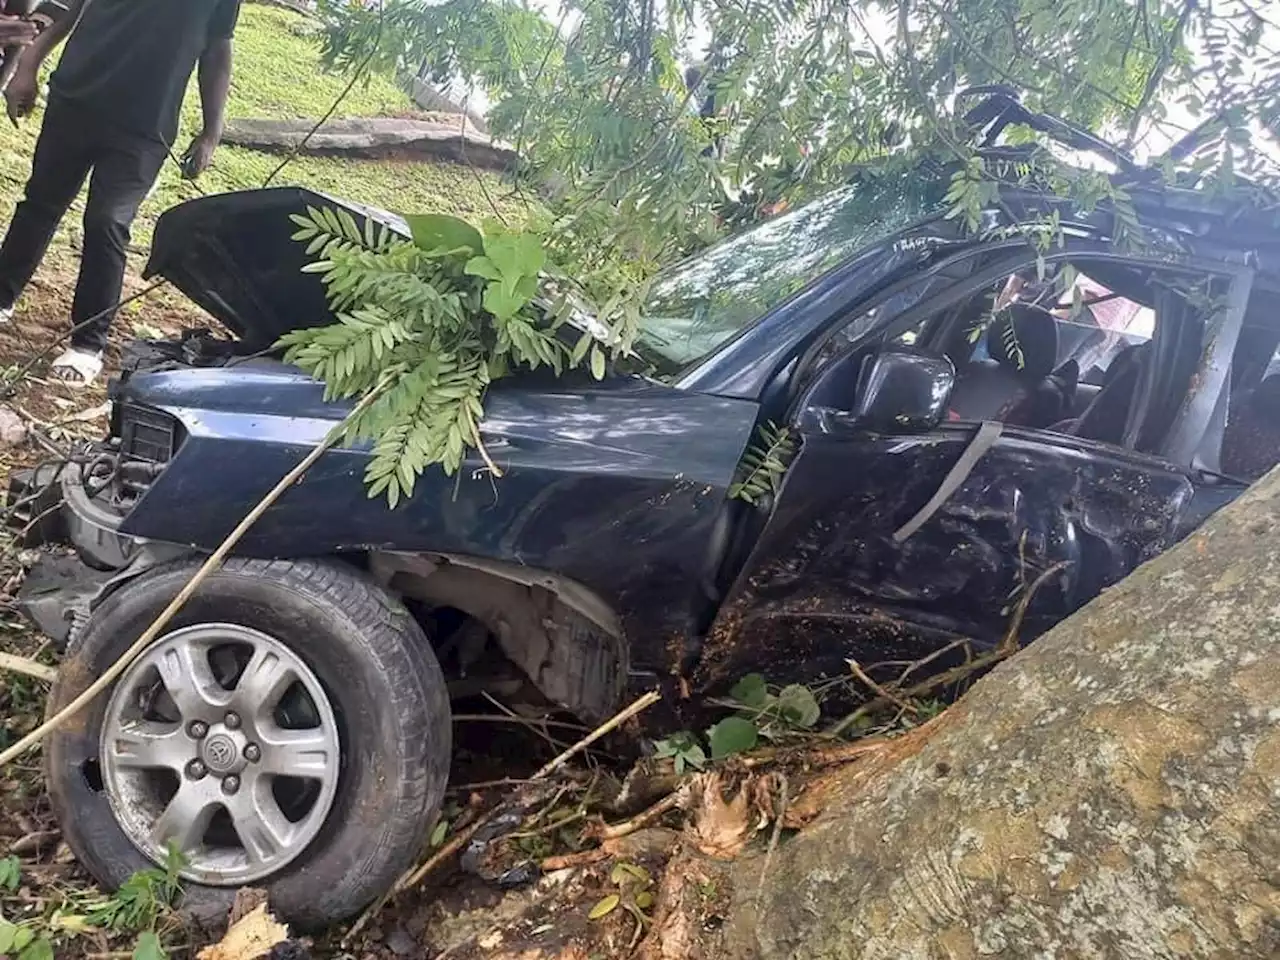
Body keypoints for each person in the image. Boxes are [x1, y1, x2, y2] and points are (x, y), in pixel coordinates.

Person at [0, 0, 239, 385]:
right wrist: (29, 67)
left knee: (108, 220)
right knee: (40, 204)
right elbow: (69, 8)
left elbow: (217, 48)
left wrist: (212, 132)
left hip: (146, 128)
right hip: (75, 99)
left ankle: (87, 343)